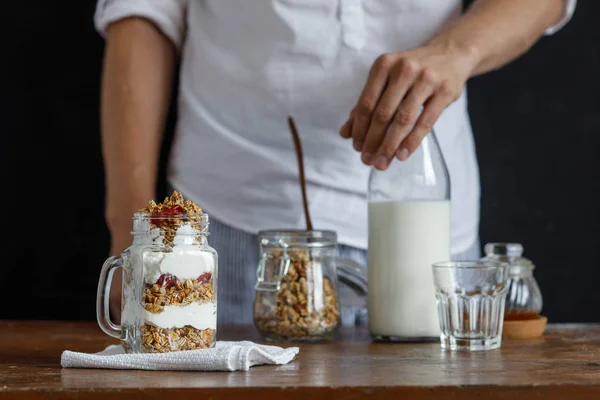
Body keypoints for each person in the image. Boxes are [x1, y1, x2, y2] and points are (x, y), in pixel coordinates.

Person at [94, 0, 576, 325]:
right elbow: (142, 14)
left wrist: (453, 52)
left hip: (430, 219)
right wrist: (134, 226)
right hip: (228, 220)